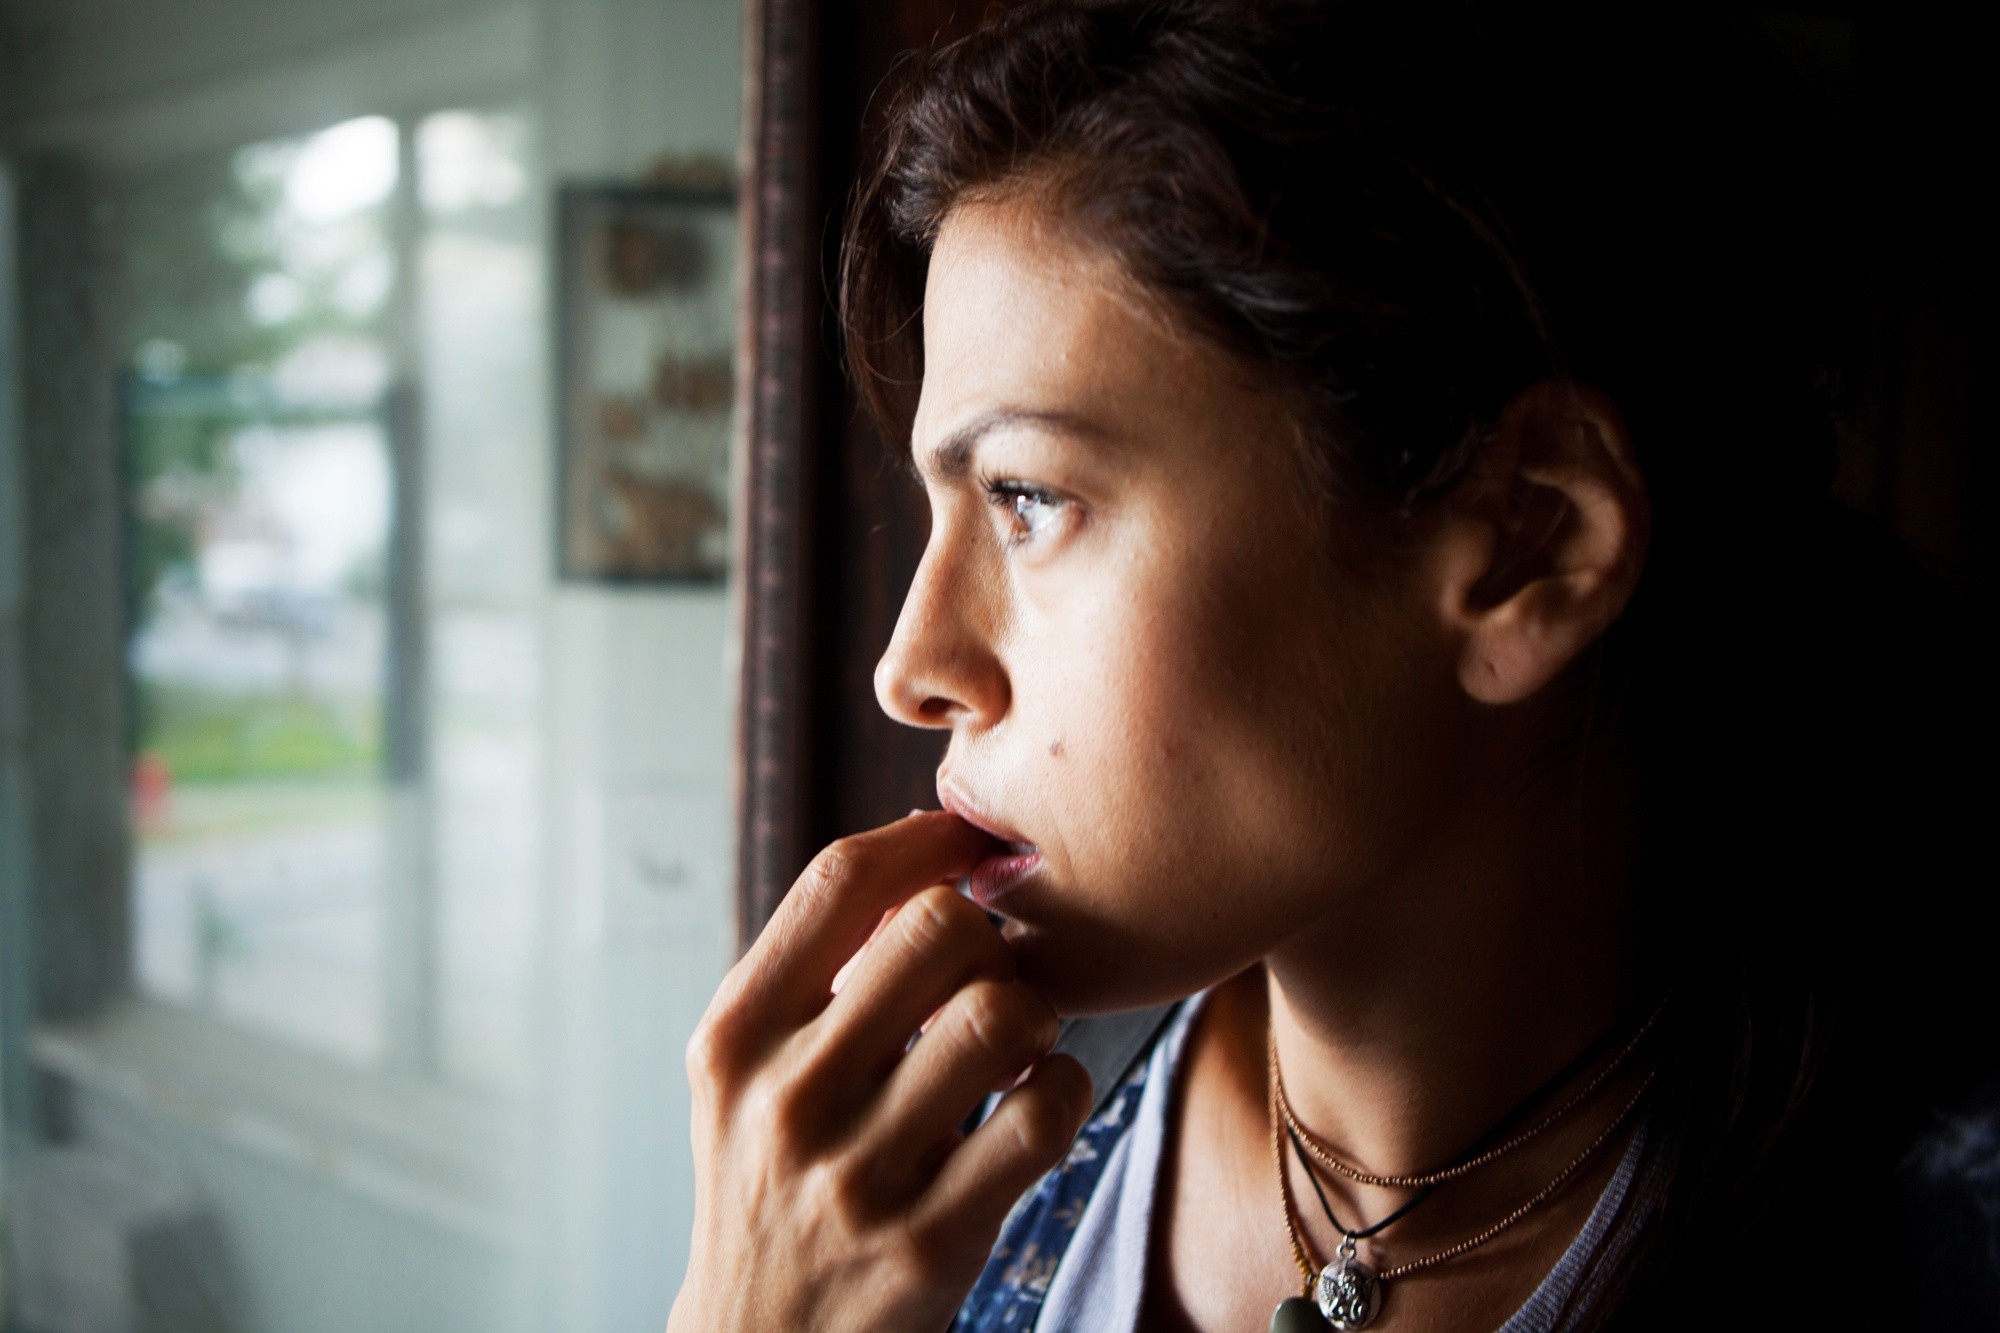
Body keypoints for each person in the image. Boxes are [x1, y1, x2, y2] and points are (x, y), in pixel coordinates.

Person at [669, 2, 1992, 1329]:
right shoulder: (905, 1200)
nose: (915, 663)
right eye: (942, 510)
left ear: (1529, 539)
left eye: (1028, 496)